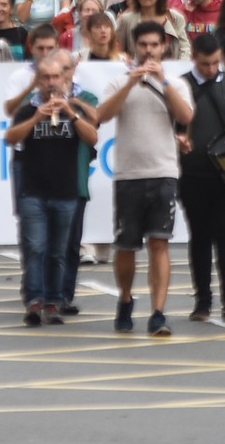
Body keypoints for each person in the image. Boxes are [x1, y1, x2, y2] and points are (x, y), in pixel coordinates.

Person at [95, 20, 192, 336]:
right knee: (125, 246)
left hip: (163, 172)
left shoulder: (175, 82)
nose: (149, 50)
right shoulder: (118, 81)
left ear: (164, 47)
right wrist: (130, 83)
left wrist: (162, 82)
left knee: (159, 244)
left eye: (154, 45)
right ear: (134, 47)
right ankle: (125, 299)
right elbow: (101, 116)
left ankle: (158, 312)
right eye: (144, 45)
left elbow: (187, 116)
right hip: (128, 174)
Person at [5, 51, 99, 326]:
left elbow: (93, 137)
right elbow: (10, 137)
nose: (51, 82)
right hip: (33, 190)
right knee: (35, 247)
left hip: (66, 190)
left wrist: (71, 112)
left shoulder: (75, 107)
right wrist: (36, 118)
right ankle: (34, 301)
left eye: (55, 77)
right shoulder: (28, 108)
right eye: (45, 78)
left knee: (58, 251)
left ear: (64, 78)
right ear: (38, 81)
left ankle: (54, 302)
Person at [178, 30, 225, 321]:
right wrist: (178, 138)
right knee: (199, 237)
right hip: (193, 175)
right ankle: (202, 301)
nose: (210, 70)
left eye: (214, 64)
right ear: (194, 58)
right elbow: (172, 122)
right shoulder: (182, 85)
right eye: (205, 64)